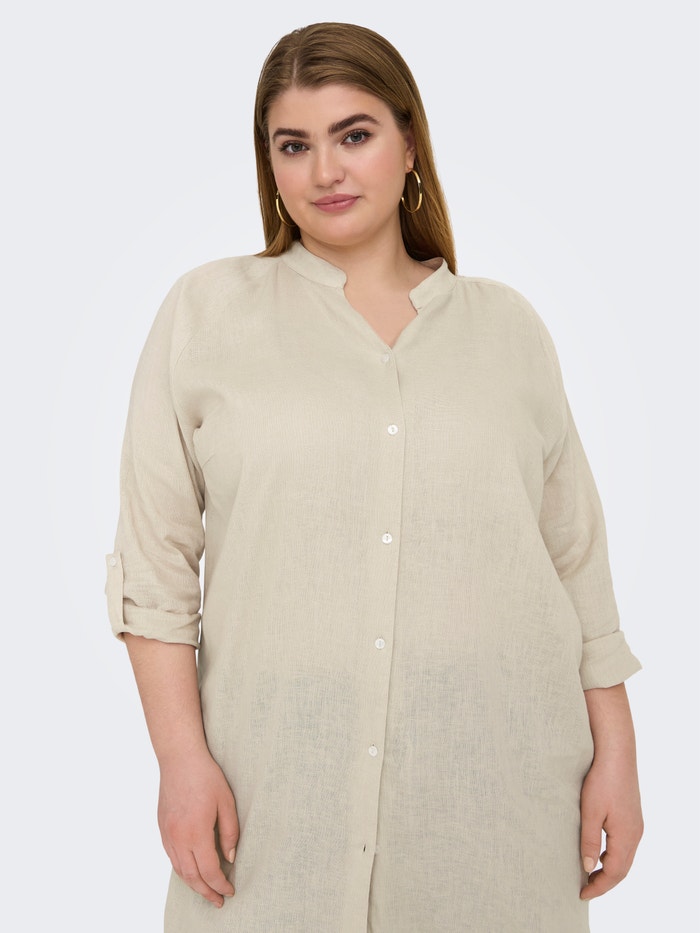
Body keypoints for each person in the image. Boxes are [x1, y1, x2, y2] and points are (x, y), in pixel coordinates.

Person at [105, 21, 643, 933]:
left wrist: (617, 756)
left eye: (353, 134)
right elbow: (154, 566)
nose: (326, 170)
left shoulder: (508, 330)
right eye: (293, 145)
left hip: (495, 803)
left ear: (409, 143)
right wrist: (180, 760)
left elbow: (575, 561)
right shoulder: (208, 314)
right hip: (273, 804)